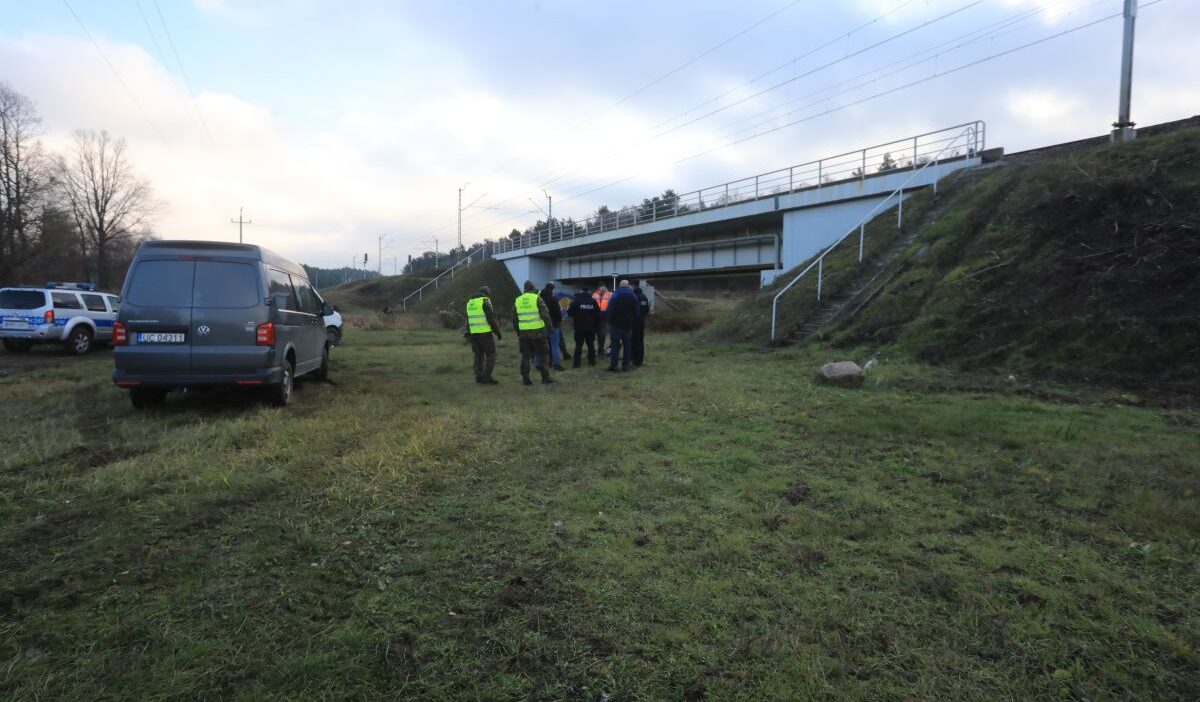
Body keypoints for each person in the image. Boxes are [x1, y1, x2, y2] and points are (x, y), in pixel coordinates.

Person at [513, 280, 555, 385]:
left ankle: (525, 379)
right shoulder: (537, 298)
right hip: (538, 333)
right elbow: (545, 315)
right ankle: (545, 378)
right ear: (533, 288)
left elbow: (515, 319)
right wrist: (550, 328)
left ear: (524, 289)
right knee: (544, 354)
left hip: (524, 334)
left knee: (525, 356)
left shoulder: (518, 300)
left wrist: (518, 332)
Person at [465, 285, 502, 384]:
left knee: (478, 355)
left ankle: (479, 376)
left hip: (474, 334)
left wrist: (468, 332)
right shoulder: (484, 301)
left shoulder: (470, 303)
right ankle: (487, 377)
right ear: (487, 294)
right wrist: (497, 332)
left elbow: (468, 320)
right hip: (484, 334)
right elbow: (491, 319)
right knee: (491, 354)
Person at [605, 279, 640, 372]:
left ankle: (614, 366)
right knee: (627, 346)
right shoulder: (633, 295)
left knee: (615, 345)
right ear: (628, 286)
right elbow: (637, 311)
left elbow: (609, 309)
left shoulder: (615, 295)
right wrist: (633, 321)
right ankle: (626, 365)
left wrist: (609, 320)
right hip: (628, 325)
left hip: (616, 325)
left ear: (620, 286)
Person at [567, 285, 601, 367]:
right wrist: (596, 325)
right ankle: (592, 361)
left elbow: (570, 313)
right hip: (590, 327)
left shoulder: (576, 301)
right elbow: (598, 315)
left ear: (581, 291)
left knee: (578, 345)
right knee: (591, 345)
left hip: (579, 327)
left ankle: (576, 363)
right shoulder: (593, 301)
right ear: (589, 292)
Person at [539, 282, 566, 371]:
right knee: (554, 345)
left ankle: (545, 363)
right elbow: (558, 313)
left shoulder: (539, 298)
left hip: (542, 325)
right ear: (552, 290)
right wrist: (560, 320)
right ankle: (556, 365)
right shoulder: (553, 299)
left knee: (544, 346)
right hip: (553, 325)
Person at [631, 280, 651, 367]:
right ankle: (640, 360)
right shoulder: (644, 297)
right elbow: (647, 310)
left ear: (634, 286)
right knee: (640, 340)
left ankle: (635, 360)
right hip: (642, 321)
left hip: (634, 322)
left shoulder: (633, 297)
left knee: (634, 341)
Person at [593, 284, 612, 354]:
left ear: (605, 287)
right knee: (599, 334)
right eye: (601, 287)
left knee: (602, 333)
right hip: (597, 316)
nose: (602, 288)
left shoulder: (610, 294)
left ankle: (601, 349)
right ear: (599, 288)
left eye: (603, 286)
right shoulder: (594, 295)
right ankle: (600, 349)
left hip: (605, 316)